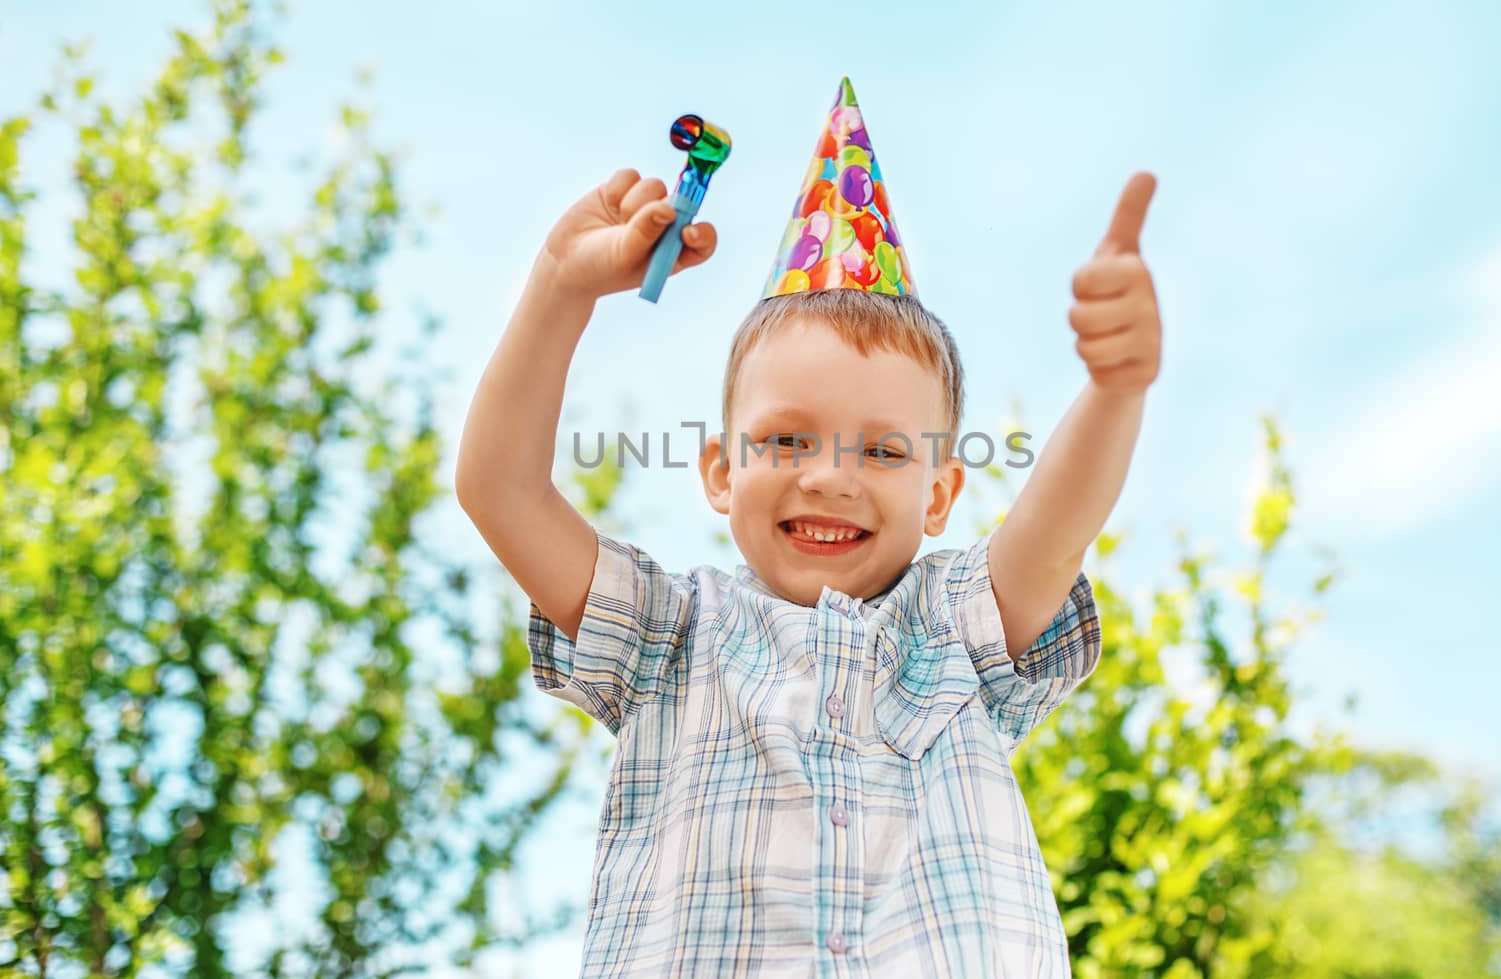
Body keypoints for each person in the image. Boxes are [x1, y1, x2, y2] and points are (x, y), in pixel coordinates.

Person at [456, 78, 1163, 977]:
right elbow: (498, 488)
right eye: (787, 438)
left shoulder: (955, 629)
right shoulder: (668, 638)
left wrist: (1114, 388)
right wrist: (559, 286)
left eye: (883, 451)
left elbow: (1057, 525)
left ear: (940, 494)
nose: (830, 476)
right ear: (719, 470)